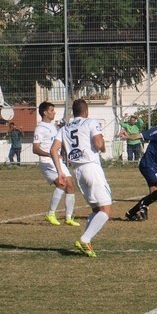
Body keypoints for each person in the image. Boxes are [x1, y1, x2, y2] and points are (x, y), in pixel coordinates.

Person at [51, 99, 113, 258]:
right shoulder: (90, 122)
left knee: (96, 210)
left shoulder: (64, 128)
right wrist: (104, 147)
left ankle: (86, 241)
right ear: (86, 112)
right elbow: (99, 143)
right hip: (91, 167)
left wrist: (60, 172)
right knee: (106, 211)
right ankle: (85, 239)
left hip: (78, 171)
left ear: (74, 112)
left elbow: (53, 150)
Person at [32, 101, 80, 227]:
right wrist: (49, 154)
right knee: (62, 184)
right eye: (51, 110)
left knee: (70, 185)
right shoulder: (40, 128)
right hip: (47, 162)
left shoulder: (55, 127)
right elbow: (35, 149)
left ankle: (69, 217)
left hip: (57, 161)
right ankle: (51, 213)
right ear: (44, 112)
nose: (54, 112)